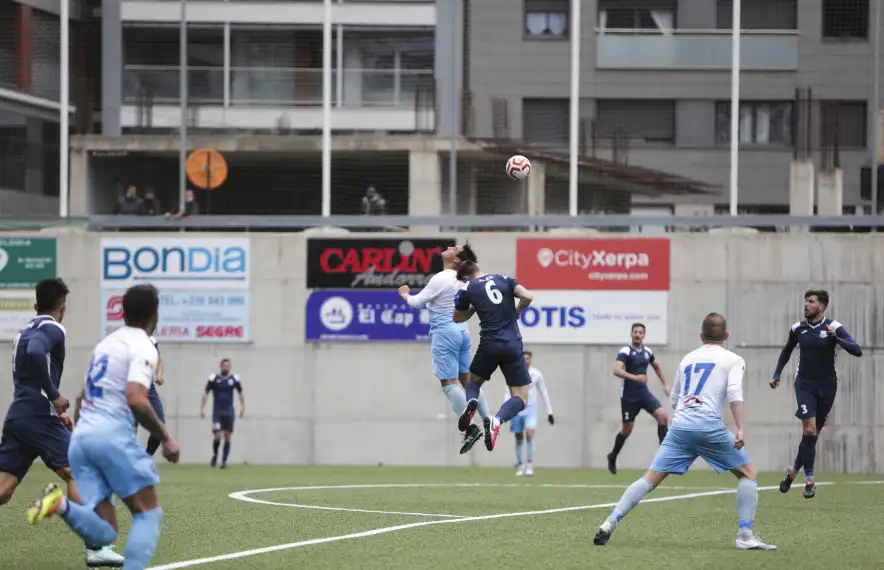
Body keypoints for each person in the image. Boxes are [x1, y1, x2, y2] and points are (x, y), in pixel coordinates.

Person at [26, 284, 180, 570]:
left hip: (82, 438)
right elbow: (136, 398)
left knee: (105, 532)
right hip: (111, 436)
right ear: (155, 313)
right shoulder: (144, 344)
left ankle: (60, 505)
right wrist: (166, 437)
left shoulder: (106, 344)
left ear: (123, 312)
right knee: (148, 515)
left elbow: (82, 395)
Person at [593, 313, 775, 551]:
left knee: (648, 479)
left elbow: (677, 399)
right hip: (709, 427)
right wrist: (740, 428)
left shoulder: (688, 359)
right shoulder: (734, 359)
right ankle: (744, 534)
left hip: (680, 427)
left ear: (702, 336)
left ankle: (609, 522)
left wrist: (681, 425)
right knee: (749, 472)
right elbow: (734, 393)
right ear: (726, 336)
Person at [0, 278, 124, 568]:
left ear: (35, 305)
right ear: (63, 307)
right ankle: (97, 548)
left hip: (20, 413)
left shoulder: (24, 330)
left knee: (3, 489)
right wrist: (54, 397)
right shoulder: (53, 328)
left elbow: (29, 366)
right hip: (38, 413)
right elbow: (35, 354)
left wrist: (52, 408)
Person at [398, 243, 494, 454]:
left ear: (457, 260)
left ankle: (471, 429)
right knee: (468, 380)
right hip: (463, 332)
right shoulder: (467, 279)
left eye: (455, 248)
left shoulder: (441, 278)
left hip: (445, 332)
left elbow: (416, 302)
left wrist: (404, 294)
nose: (450, 246)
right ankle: (489, 420)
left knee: (448, 383)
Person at [770, 289, 862, 499]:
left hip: (827, 386)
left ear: (821, 307)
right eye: (805, 301)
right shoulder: (798, 328)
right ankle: (809, 480)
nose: (805, 305)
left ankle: (793, 471)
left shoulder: (834, 327)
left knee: (812, 435)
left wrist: (837, 338)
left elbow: (857, 350)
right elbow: (786, 351)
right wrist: (777, 374)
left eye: (810, 302)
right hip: (804, 384)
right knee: (810, 430)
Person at [453, 260, 535, 451]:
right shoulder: (503, 279)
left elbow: (456, 316)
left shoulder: (467, 287)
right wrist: (518, 311)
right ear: (477, 268)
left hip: (489, 343)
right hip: (513, 344)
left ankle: (472, 402)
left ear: (465, 277)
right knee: (521, 398)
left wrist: (475, 307)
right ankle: (496, 421)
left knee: (472, 382)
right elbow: (528, 297)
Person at [606, 323, 671, 475]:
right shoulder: (625, 351)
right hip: (629, 397)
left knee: (663, 415)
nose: (637, 334)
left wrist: (666, 384)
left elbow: (657, 367)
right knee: (626, 431)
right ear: (631, 333)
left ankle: (664, 457)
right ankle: (613, 455)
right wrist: (634, 377)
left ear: (644, 335)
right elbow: (616, 370)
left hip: (644, 394)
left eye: (640, 332)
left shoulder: (647, 352)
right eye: (635, 332)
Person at [505, 351, 554, 476]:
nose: (526, 361)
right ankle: (521, 464)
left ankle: (530, 464)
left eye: (528, 358)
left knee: (530, 433)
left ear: (530, 360)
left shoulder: (536, 374)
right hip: (517, 408)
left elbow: (543, 392)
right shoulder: (513, 373)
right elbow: (508, 391)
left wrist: (549, 412)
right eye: (524, 358)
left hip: (531, 408)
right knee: (518, 436)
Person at [200, 359, 245, 469]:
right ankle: (215, 455)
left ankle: (224, 461)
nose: (226, 368)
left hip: (229, 411)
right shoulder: (214, 378)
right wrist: (202, 408)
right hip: (218, 412)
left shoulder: (234, 379)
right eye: (224, 366)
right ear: (220, 367)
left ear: (230, 367)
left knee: (228, 436)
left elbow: (240, 393)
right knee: (218, 436)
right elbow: (206, 393)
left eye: (228, 366)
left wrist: (243, 407)